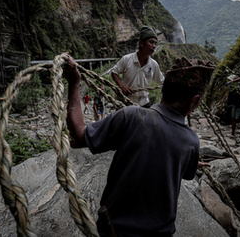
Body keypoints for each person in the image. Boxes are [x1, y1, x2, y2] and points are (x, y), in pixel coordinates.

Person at [64, 55, 214, 237]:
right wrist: (189, 161)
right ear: (193, 101)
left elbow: (79, 135)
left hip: (114, 229)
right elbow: (182, 170)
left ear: (164, 89)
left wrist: (75, 82)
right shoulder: (190, 141)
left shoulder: (131, 116)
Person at [111, 25, 165, 108]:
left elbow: (162, 81)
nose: (154, 46)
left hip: (144, 104)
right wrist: (122, 86)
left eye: (155, 43)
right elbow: (114, 72)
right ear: (141, 43)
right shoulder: (127, 59)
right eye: (151, 42)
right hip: (125, 103)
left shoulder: (154, 65)